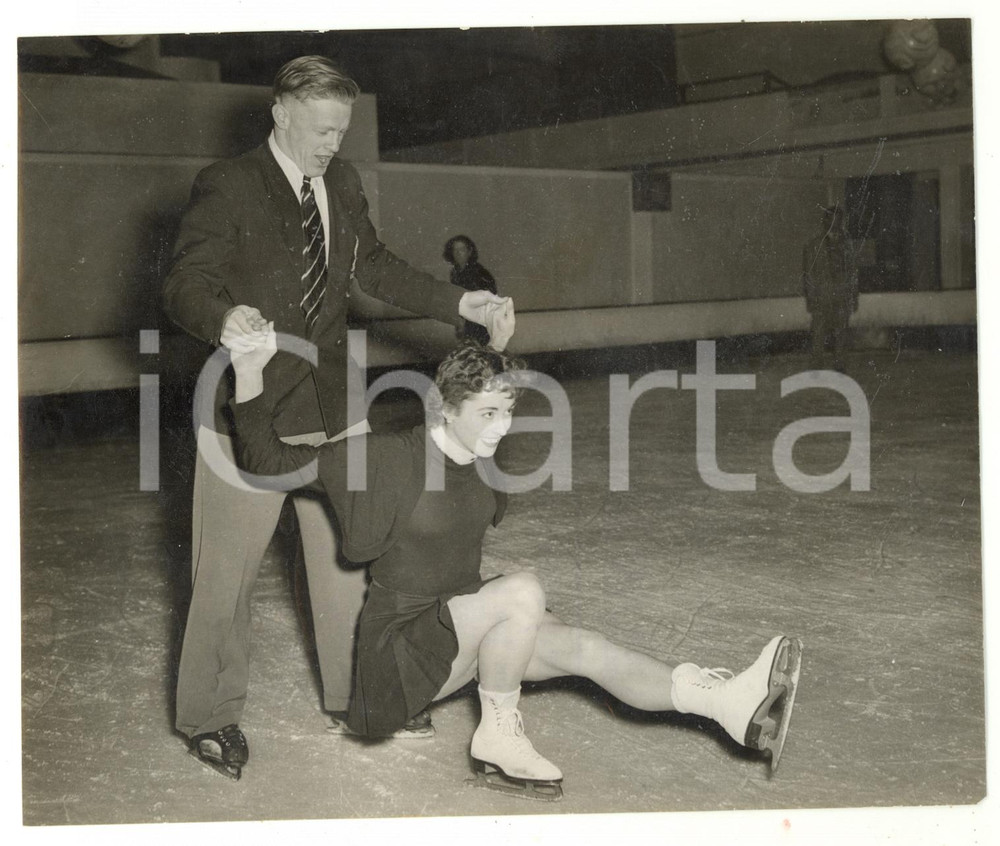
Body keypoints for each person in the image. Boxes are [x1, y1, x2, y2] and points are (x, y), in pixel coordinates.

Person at [228, 335, 803, 800]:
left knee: (582, 646)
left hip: (455, 637)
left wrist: (491, 355)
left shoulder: (480, 460)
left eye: (507, 411)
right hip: (395, 664)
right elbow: (265, 462)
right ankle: (498, 732)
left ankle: (722, 704)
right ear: (443, 408)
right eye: (487, 413)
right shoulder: (377, 457)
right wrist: (250, 372)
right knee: (523, 589)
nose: (501, 427)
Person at [162, 55, 514, 780]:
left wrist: (460, 304)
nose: (332, 143)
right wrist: (223, 315)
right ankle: (209, 716)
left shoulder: (343, 184)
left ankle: (358, 691)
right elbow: (183, 282)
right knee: (225, 576)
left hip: (332, 403)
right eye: (321, 129)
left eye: (342, 130)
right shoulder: (228, 185)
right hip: (250, 405)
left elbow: (373, 267)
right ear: (282, 114)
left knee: (349, 557)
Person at [802, 204, 859, 372]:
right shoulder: (813, 245)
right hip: (822, 295)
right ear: (825, 221)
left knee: (841, 331)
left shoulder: (848, 244)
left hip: (842, 294)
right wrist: (811, 297)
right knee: (818, 332)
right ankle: (817, 365)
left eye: (838, 219)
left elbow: (853, 271)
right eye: (831, 218)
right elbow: (809, 273)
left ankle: (840, 365)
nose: (835, 222)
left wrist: (854, 296)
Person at [443, 235, 498, 345]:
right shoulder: (455, 273)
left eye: (462, 249)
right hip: (465, 320)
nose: (458, 253)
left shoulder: (480, 272)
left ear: (469, 252)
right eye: (455, 250)